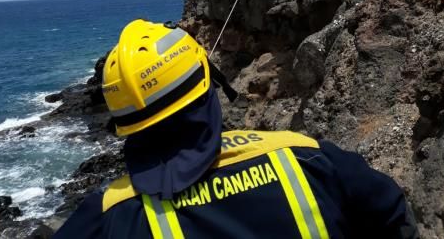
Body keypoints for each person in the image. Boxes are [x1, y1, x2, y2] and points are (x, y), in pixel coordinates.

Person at [54, 20, 418, 238]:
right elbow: (396, 220)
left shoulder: (108, 216)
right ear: (210, 87)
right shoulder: (309, 159)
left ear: (123, 124)